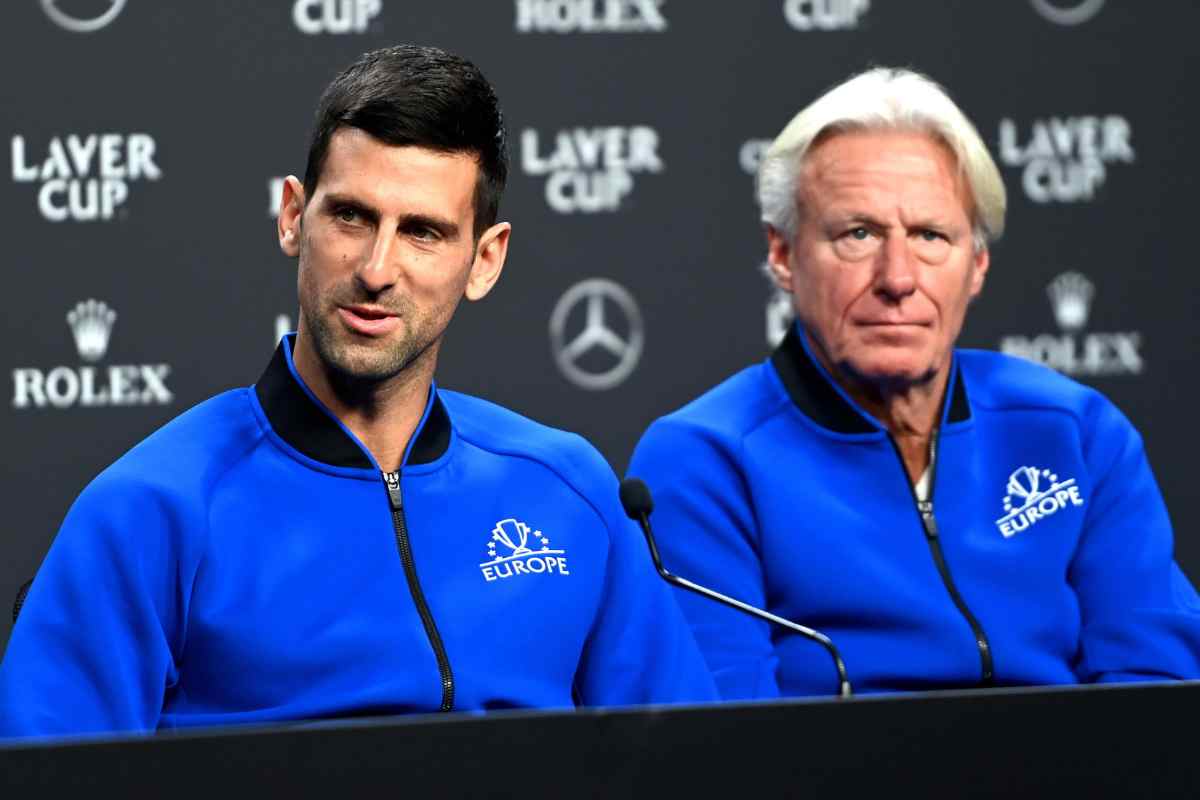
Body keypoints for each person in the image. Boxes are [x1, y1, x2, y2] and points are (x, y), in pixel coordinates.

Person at [0, 45, 714, 739]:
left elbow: (687, 761)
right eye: (351, 216)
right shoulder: (152, 508)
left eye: (423, 232)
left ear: (484, 260)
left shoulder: (570, 489)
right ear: (293, 217)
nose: (377, 268)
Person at [628, 67, 1200, 699]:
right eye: (858, 234)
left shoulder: (1075, 432)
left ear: (976, 264)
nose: (898, 278)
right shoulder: (706, 460)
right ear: (784, 255)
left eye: (931, 236)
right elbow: (728, 733)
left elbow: (1157, 687)